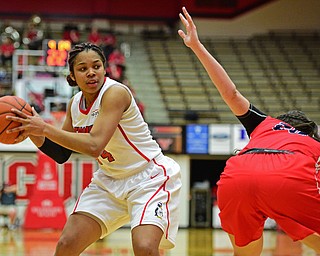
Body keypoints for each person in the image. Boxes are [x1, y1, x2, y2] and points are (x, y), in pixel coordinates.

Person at [6, 42, 182, 256]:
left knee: (145, 248)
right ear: (72, 75)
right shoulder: (74, 104)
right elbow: (61, 154)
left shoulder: (115, 93)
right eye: (82, 69)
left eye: (96, 66)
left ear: (104, 68)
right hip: (109, 180)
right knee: (66, 245)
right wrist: (32, 131)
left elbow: (94, 145)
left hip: (148, 177)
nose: (91, 73)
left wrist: (43, 127)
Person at [178, 7, 320, 256]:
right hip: (289, 176)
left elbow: (229, 92)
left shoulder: (264, 124)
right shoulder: (311, 143)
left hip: (237, 175)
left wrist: (197, 47)